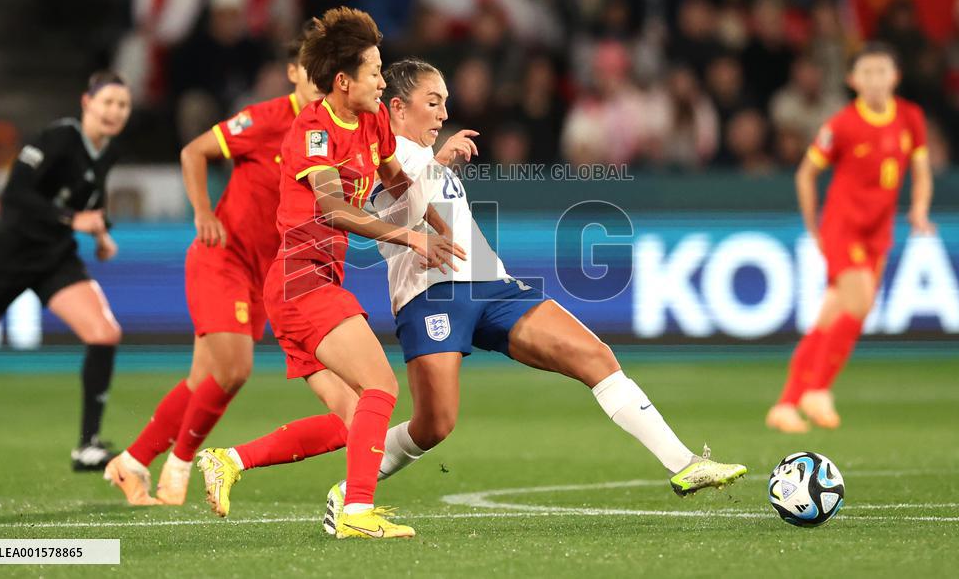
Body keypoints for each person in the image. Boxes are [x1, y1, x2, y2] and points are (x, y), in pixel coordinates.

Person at [320, 58, 747, 533]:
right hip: (430, 297)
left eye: (446, 103)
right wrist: (436, 164)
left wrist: (437, 162)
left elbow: (426, 200)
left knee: (594, 355)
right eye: (433, 102)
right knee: (434, 424)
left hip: (493, 286)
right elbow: (399, 212)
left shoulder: (423, 154)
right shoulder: (377, 154)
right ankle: (352, 490)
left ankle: (684, 463)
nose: (443, 115)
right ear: (397, 107)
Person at [196, 8, 462, 540]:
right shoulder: (312, 129)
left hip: (313, 282)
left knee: (352, 421)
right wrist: (410, 237)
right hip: (300, 280)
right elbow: (333, 209)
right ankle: (356, 514)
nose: (383, 81)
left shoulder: (372, 122)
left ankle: (229, 461)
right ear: (343, 81)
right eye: (375, 72)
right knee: (381, 387)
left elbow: (398, 185)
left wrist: (434, 224)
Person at [104, 27, 328, 506]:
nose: (319, 81)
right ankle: (181, 465)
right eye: (311, 71)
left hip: (264, 274)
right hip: (222, 256)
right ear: (293, 74)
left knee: (202, 380)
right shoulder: (266, 119)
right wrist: (203, 212)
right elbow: (193, 152)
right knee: (235, 369)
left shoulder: (325, 134)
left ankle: (131, 463)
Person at [0, 70, 130, 471]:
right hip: (6, 255)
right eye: (107, 102)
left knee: (105, 332)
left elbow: (90, 199)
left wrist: (101, 233)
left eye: (122, 105)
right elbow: (14, 195)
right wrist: (73, 220)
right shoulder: (58, 138)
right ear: (87, 103)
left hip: (53, 257)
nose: (115, 111)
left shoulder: (108, 152)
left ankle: (87, 446)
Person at [767, 42, 934, 433]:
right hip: (843, 227)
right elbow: (805, 174)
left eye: (882, 72)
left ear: (895, 77)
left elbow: (922, 170)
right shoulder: (841, 125)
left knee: (831, 317)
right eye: (867, 73)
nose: (875, 80)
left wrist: (920, 208)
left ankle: (787, 403)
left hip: (880, 230)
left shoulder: (911, 117)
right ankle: (818, 390)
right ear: (852, 80)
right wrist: (813, 226)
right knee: (859, 304)